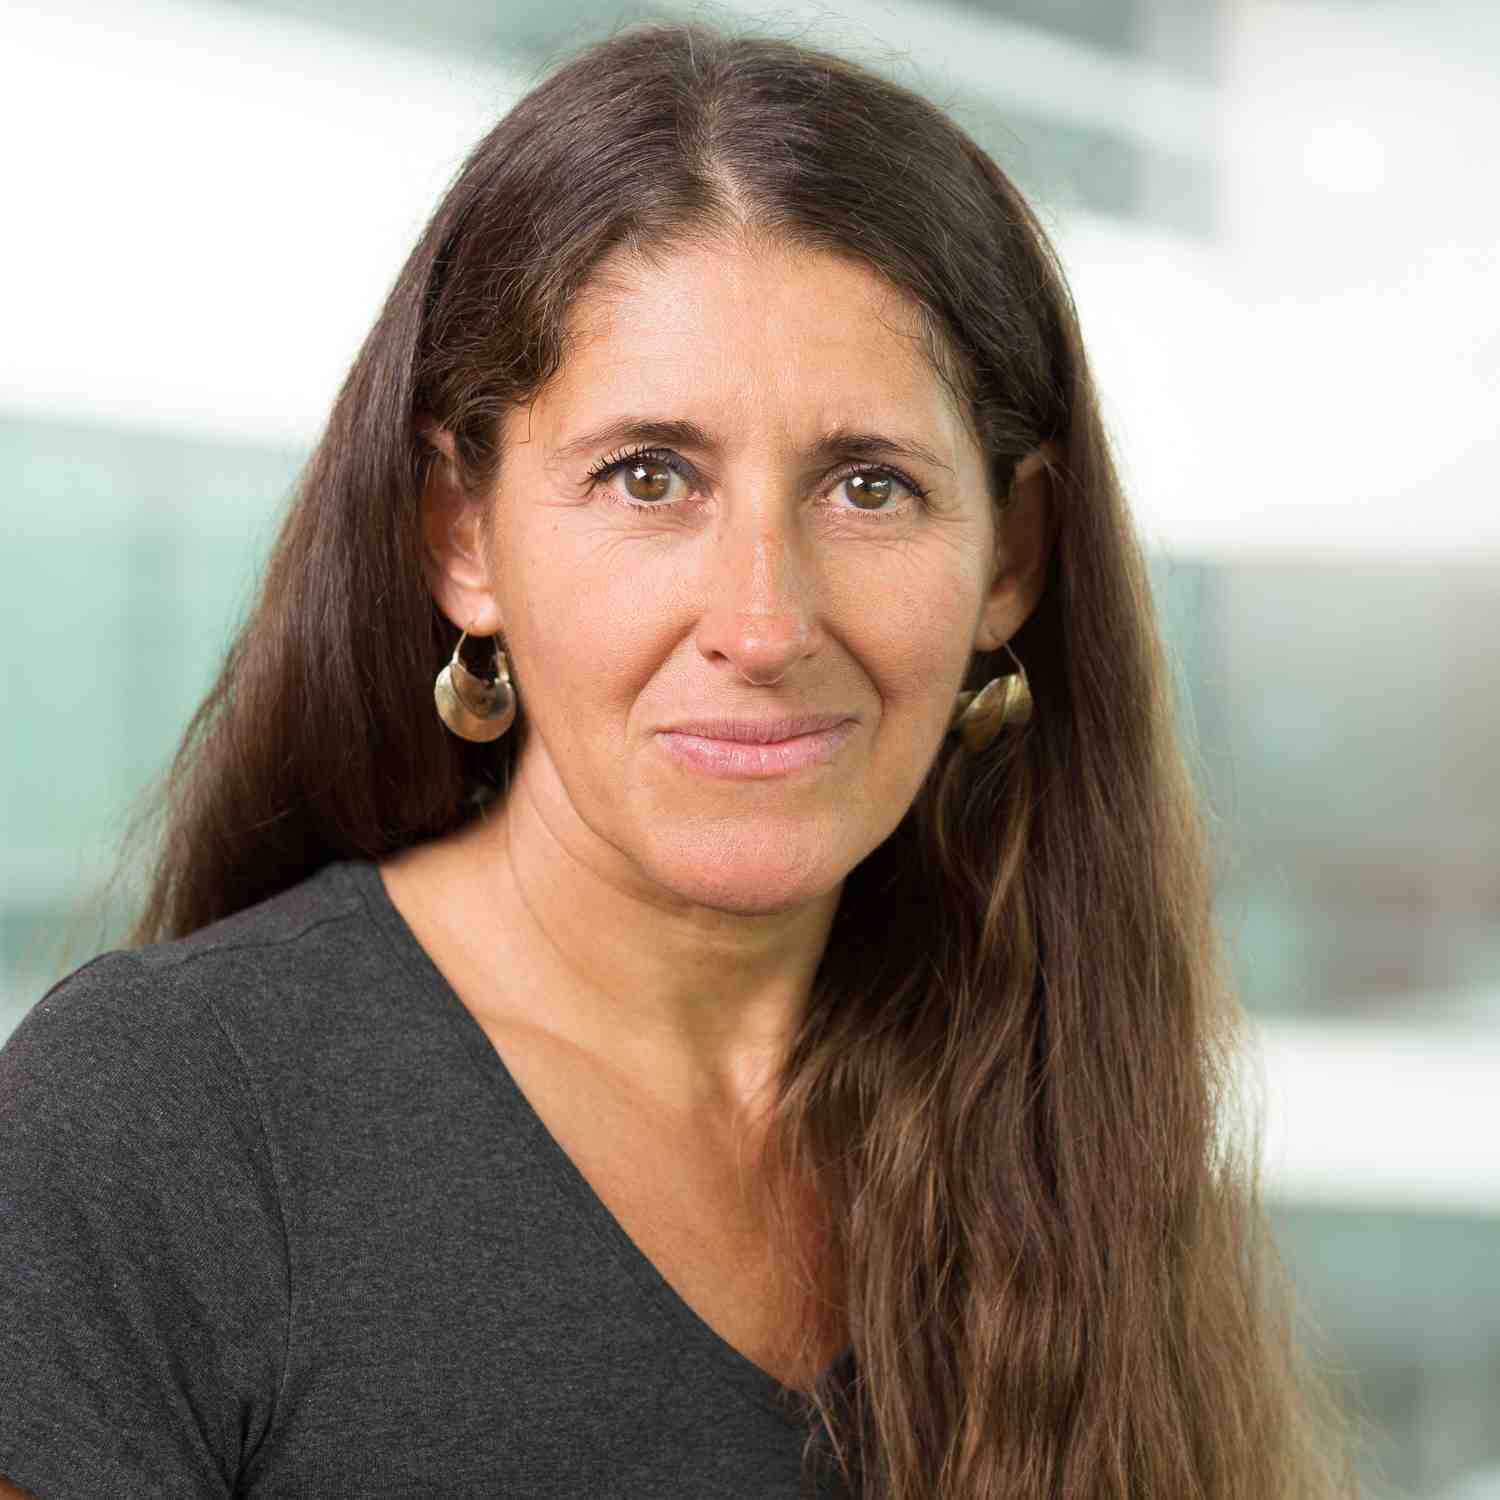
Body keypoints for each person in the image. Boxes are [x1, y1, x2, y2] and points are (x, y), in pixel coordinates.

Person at [0, 21, 1360, 1500]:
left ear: (1011, 559)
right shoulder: (159, 1119)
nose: (763, 624)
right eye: (649, 478)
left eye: (868, 486)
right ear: (463, 536)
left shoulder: (1064, 1113)